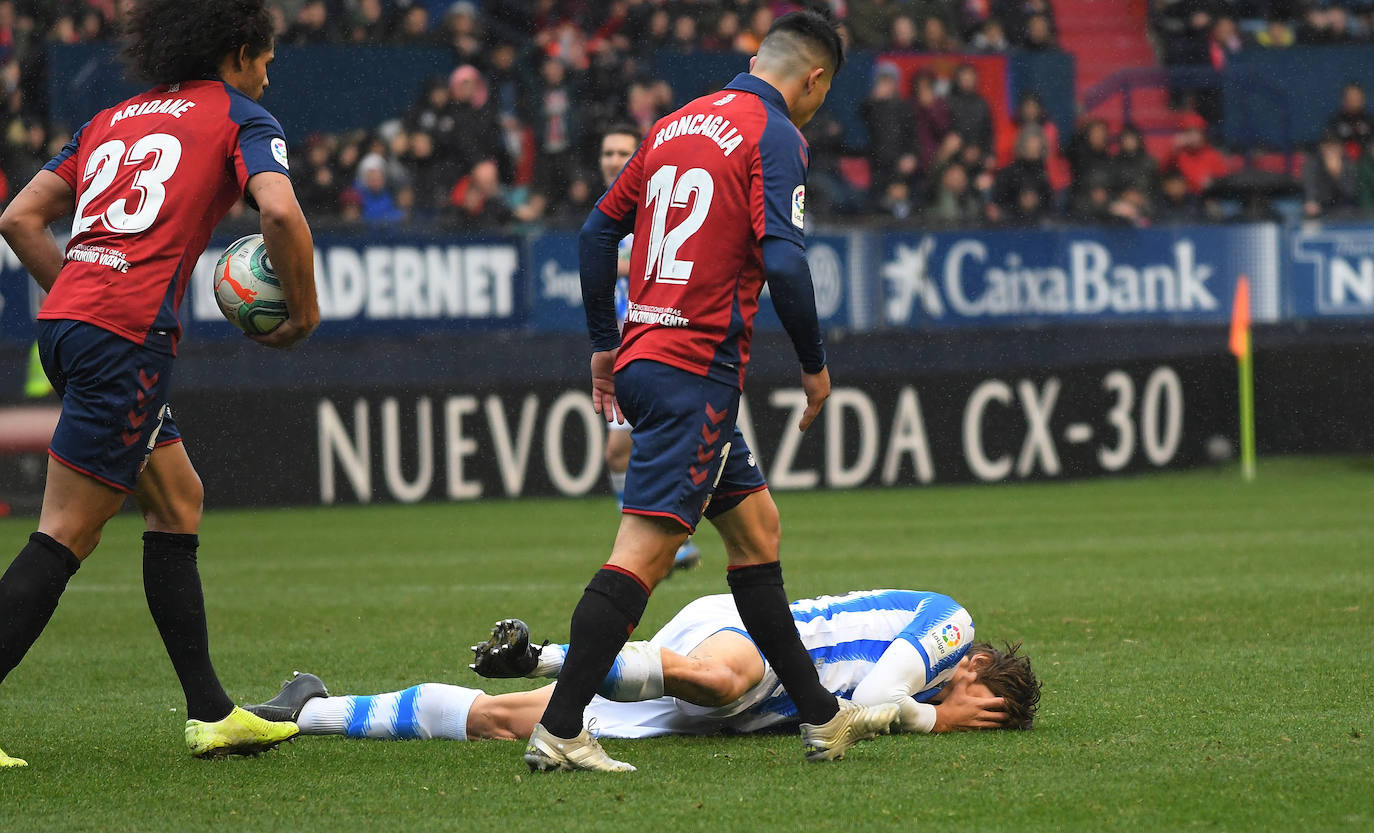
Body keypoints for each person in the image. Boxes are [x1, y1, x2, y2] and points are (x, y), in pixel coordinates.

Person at [548, 7, 900, 773]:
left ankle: (819, 715)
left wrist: (604, 345)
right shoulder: (776, 135)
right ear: (813, 78)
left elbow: (593, 234)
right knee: (640, 555)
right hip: (693, 373)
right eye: (823, 92)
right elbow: (784, 261)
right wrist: (814, 362)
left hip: (645, 355)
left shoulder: (675, 123)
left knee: (756, 531)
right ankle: (561, 725)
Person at [0, 0, 317, 768]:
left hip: (68, 321)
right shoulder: (240, 117)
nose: (269, 74)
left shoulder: (113, 118)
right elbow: (277, 209)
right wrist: (303, 312)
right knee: (66, 530)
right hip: (126, 336)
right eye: (266, 59)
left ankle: (212, 712)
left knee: (178, 499)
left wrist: (80, 290)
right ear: (238, 51)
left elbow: (18, 218)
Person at [246, 589, 1039, 744]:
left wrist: (935, 717)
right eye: (980, 695)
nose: (968, 706)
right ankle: (549, 649)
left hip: (707, 709)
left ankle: (306, 708)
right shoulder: (950, 620)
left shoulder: (926, 704)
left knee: (503, 720)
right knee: (727, 677)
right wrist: (938, 716)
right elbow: (867, 699)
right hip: (745, 643)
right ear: (973, 662)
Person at [596, 125, 701, 572]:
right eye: (607, 151)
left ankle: (668, 542)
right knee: (621, 453)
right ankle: (667, 544)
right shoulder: (608, 212)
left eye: (623, 151)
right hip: (626, 352)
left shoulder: (657, 204)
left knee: (673, 450)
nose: (614, 159)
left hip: (662, 348)